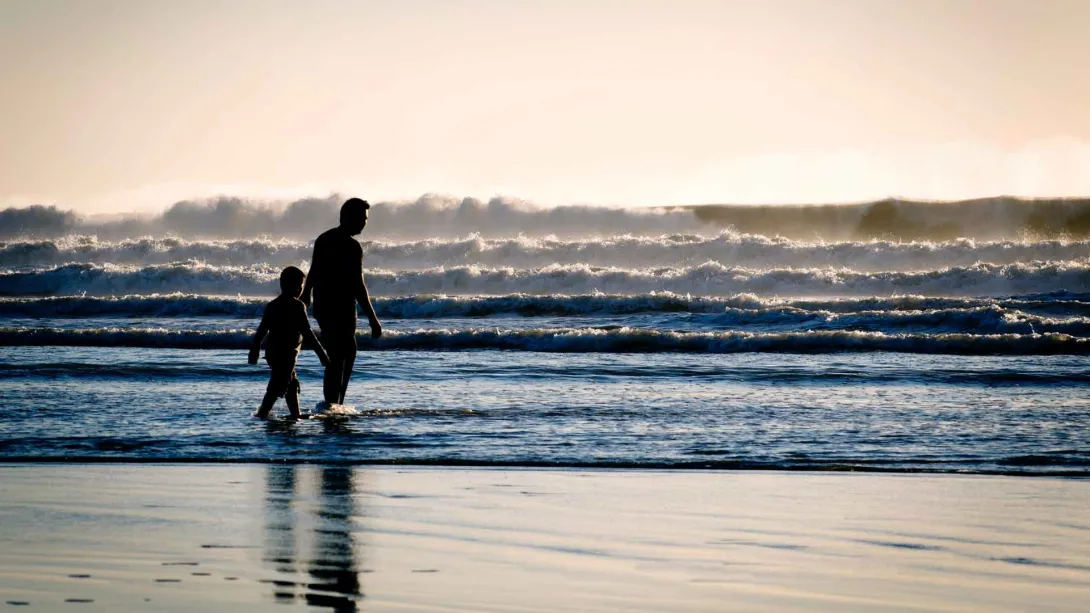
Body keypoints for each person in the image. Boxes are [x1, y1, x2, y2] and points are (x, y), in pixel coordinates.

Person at [301, 197, 382, 406]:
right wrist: (373, 319)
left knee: (344, 353)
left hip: (324, 305)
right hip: (340, 306)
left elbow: (313, 271)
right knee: (339, 355)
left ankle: (335, 402)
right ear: (349, 217)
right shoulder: (351, 246)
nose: (365, 223)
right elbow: (358, 284)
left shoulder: (324, 239)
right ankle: (333, 404)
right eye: (362, 218)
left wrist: (306, 294)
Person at [249, 266, 330, 419]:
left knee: (290, 383)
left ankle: (295, 414)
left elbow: (261, 331)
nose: (300, 289)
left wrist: (255, 349)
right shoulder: (297, 306)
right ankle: (263, 413)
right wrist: (322, 354)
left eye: (301, 286)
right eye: (298, 286)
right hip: (286, 354)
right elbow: (308, 333)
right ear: (284, 285)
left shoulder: (272, 305)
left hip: (273, 353)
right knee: (279, 384)